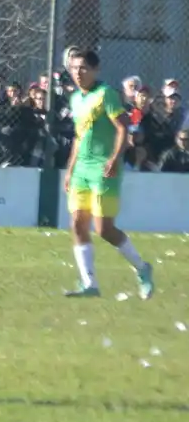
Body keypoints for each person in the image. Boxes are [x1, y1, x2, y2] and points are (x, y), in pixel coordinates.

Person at [62, 49, 154, 300]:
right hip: (81, 169)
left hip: (104, 169)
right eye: (74, 68)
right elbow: (79, 137)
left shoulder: (106, 94)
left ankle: (142, 268)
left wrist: (114, 159)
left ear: (95, 70)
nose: (77, 73)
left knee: (104, 229)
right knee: (78, 224)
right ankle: (89, 283)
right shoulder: (76, 99)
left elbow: (123, 128)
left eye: (83, 68)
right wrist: (70, 170)